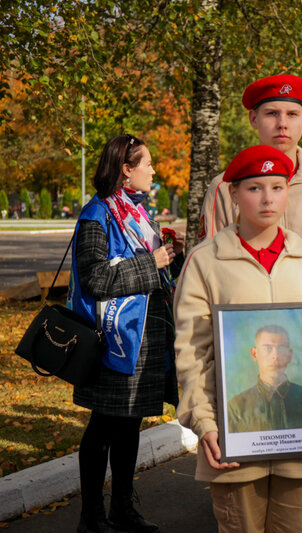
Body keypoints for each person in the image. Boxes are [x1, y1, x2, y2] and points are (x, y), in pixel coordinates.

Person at [200, 74, 302, 532]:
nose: (281, 123)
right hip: (246, 372)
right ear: (253, 119)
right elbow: (212, 282)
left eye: (292, 114)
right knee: (245, 498)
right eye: (271, 113)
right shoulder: (223, 188)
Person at [69, 134, 183, 533]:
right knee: (103, 427)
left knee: (129, 424)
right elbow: (96, 278)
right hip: (111, 343)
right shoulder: (97, 214)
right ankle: (91, 517)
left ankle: (121, 509)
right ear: (125, 169)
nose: (153, 170)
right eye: (147, 163)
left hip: (142, 342)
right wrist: (152, 261)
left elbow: (151, 272)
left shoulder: (135, 213)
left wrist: (173, 252)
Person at [227, 325, 302, 433]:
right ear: (254, 354)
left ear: (290, 355)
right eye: (267, 348)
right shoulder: (235, 408)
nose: (275, 355)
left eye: (281, 348)